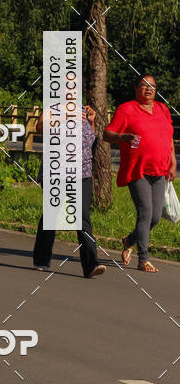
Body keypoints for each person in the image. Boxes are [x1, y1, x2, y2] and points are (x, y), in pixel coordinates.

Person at [104, 74, 176, 272]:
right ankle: (143, 259)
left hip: (159, 169)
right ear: (136, 88)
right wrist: (123, 137)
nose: (148, 89)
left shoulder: (162, 109)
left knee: (155, 217)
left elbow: (168, 136)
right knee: (145, 213)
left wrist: (173, 162)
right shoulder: (126, 109)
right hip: (137, 170)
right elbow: (106, 134)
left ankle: (129, 240)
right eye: (144, 86)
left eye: (152, 86)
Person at [33, 103, 106, 278]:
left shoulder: (83, 110)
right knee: (51, 215)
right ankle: (41, 258)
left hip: (81, 172)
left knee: (82, 216)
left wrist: (91, 122)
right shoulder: (53, 109)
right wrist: (66, 118)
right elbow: (41, 128)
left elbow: (90, 140)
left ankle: (90, 265)